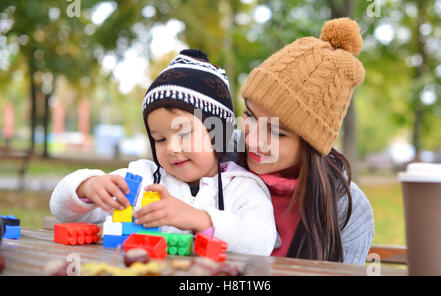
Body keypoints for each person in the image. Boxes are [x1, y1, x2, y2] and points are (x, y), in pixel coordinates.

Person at [50, 49, 276, 256]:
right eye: (160, 139)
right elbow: (63, 211)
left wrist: (201, 219)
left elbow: (262, 242)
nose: (171, 149)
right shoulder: (141, 179)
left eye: (184, 133)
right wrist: (87, 187)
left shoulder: (242, 187)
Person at [239, 18, 374, 264]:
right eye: (249, 115)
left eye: (276, 132)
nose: (253, 139)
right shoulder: (217, 169)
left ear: (311, 145)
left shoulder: (346, 209)